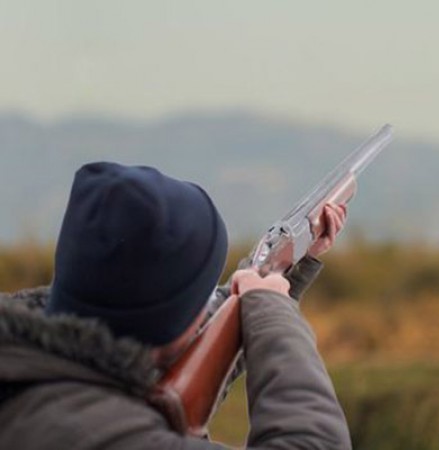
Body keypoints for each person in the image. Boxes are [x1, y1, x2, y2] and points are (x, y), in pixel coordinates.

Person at [0, 162, 352, 449]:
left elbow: (191, 350)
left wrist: (287, 270)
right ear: (168, 322)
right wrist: (272, 312)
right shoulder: (113, 435)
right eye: (203, 296)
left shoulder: (37, 377)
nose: (210, 308)